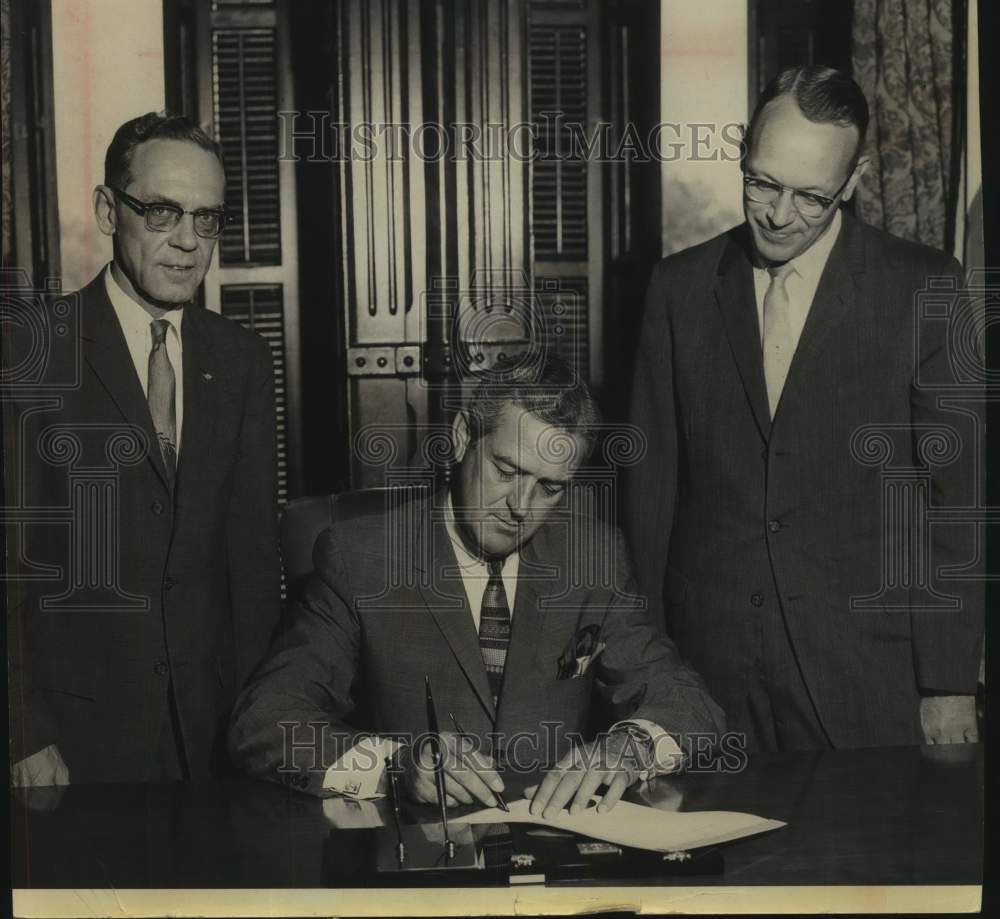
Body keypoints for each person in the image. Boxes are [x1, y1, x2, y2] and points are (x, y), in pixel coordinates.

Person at [624, 66, 984, 752]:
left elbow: (955, 501)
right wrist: (646, 673)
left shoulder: (924, 286)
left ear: (854, 180)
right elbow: (649, 496)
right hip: (706, 677)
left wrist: (948, 683)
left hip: (867, 676)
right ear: (742, 151)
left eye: (811, 196)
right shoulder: (677, 290)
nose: (779, 215)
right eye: (763, 182)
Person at [229, 355, 724, 817]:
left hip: (554, 850)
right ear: (464, 437)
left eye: (549, 487)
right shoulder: (362, 559)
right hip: (425, 864)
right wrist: (397, 766)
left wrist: (629, 747)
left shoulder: (591, 558)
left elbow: (692, 705)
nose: (521, 507)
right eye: (506, 471)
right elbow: (264, 722)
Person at [6, 113, 283, 785]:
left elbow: (251, 565)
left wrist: (267, 722)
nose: (189, 242)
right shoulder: (29, 353)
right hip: (74, 747)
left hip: (221, 739)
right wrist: (21, 733)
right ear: (109, 210)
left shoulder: (241, 358)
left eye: (208, 219)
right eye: (162, 212)